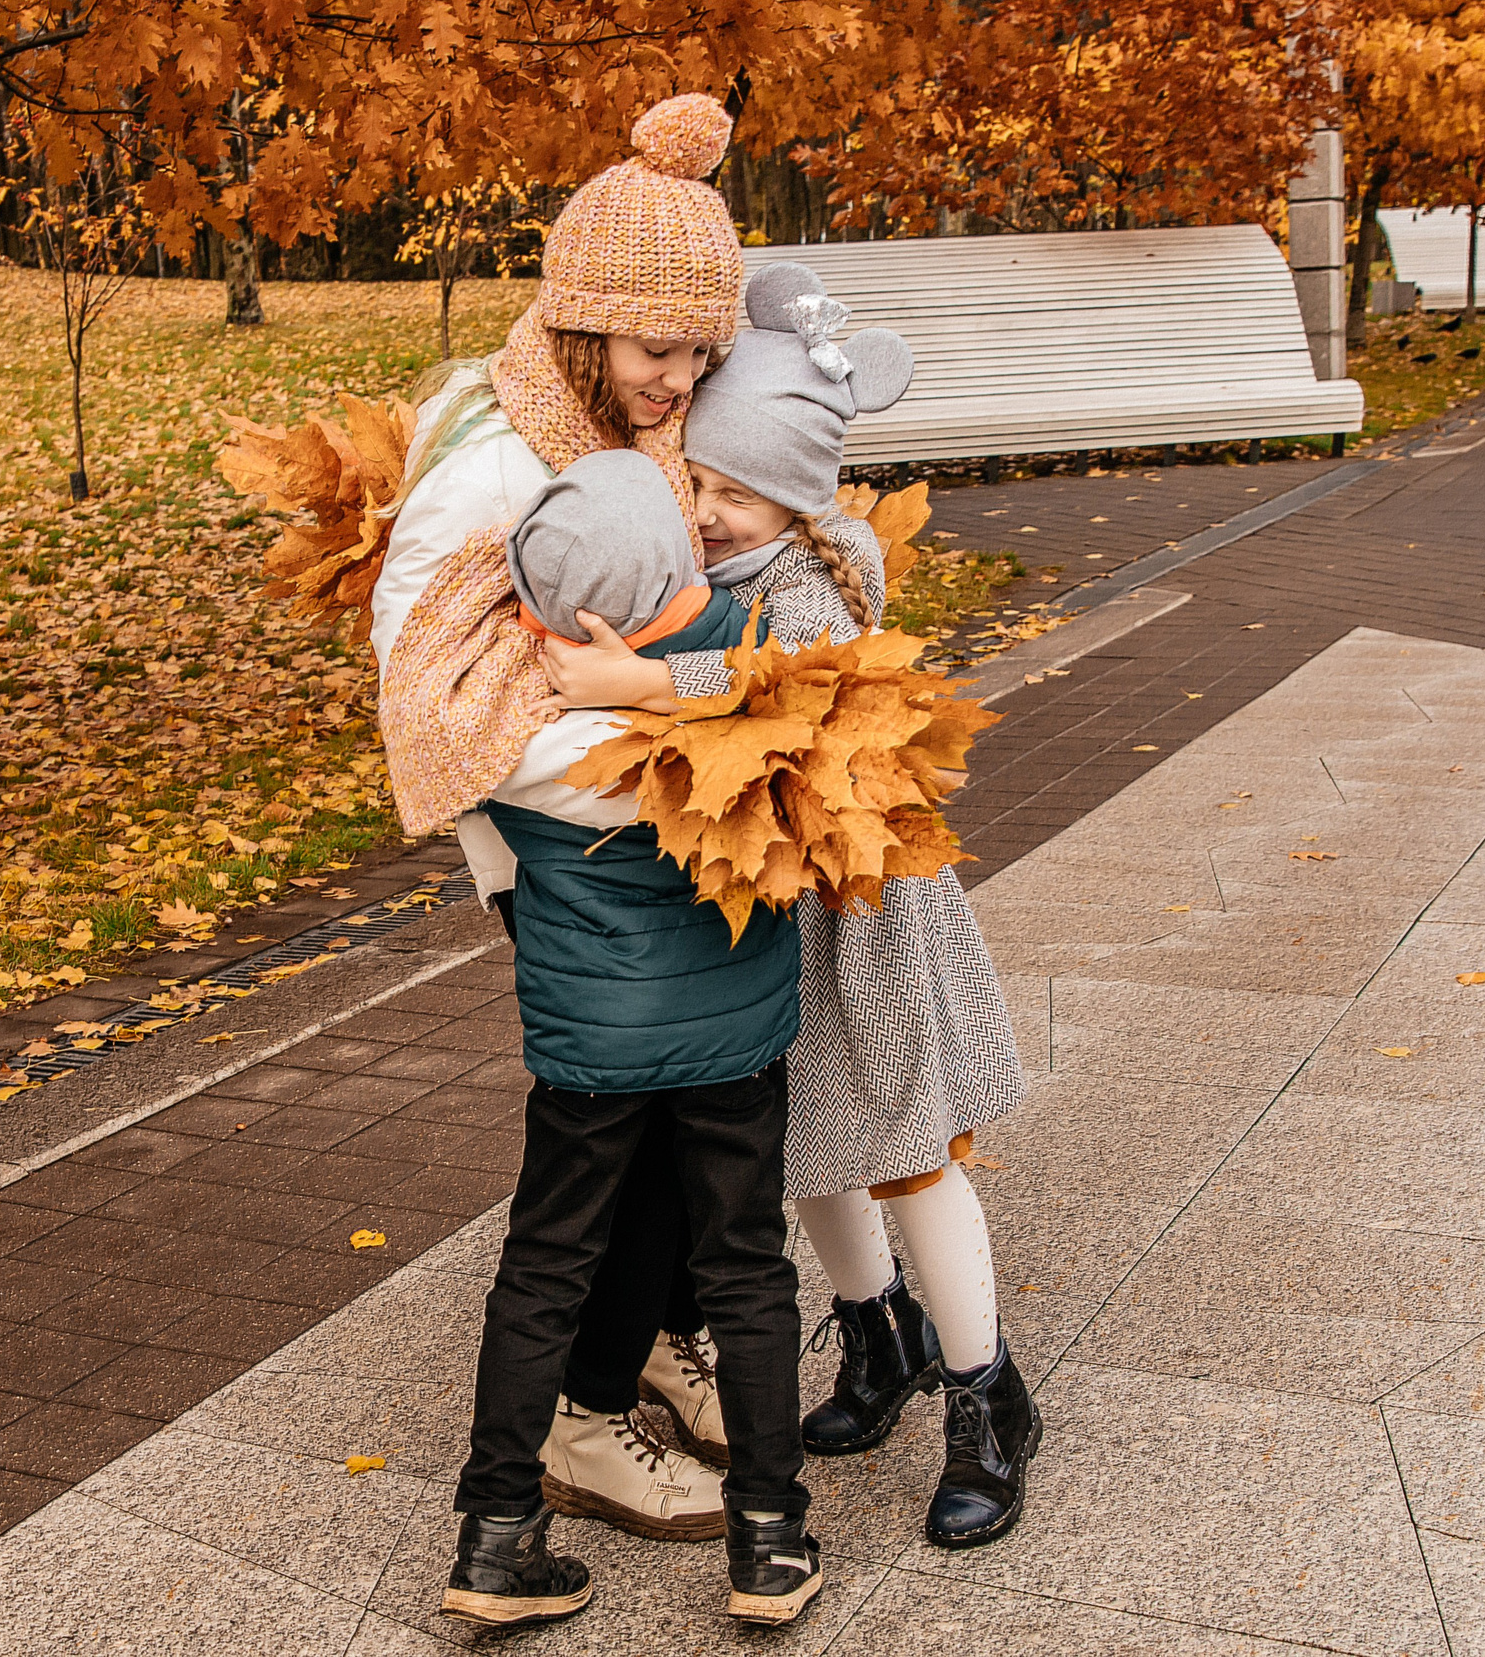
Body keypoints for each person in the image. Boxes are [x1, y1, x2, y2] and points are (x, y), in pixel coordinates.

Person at [544, 261, 1040, 1549]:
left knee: (905, 1145)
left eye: (728, 491)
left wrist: (645, 686)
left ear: (793, 493)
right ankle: (876, 1337)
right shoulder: (742, 555)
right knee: (809, 1140)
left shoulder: (811, 580)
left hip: (866, 916)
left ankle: (988, 1392)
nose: (701, 512)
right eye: (694, 484)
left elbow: (784, 682)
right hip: (782, 911)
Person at [439, 448, 825, 1629]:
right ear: (671, 554)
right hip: (732, 1040)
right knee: (745, 1269)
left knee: (542, 1266)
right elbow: (823, 688)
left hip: (583, 1042)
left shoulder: (506, 693)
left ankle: (496, 1541)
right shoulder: (745, 651)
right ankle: (768, 1541)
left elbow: (483, 826)